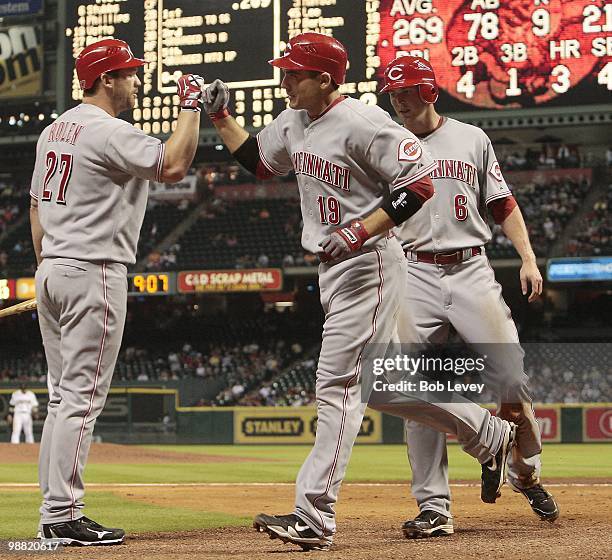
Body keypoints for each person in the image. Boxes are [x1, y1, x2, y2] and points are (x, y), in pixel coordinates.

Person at [202, 32, 517, 550]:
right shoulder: (293, 121)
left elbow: (419, 183)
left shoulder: (363, 121)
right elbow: (261, 162)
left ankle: (314, 515)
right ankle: (487, 434)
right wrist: (221, 118)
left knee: (336, 383)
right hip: (335, 270)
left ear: (324, 78)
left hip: (369, 262)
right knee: (384, 387)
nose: (284, 79)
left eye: (293, 73)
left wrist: (360, 230)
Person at [30, 38, 202, 546]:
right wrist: (189, 108)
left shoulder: (52, 130)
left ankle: (52, 514)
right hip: (93, 272)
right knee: (80, 401)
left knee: (62, 398)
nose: (135, 80)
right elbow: (172, 164)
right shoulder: (108, 131)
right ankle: (63, 515)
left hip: (55, 269)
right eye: (128, 74)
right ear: (106, 79)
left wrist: (50, 265)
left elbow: (38, 207)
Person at [379, 55, 559, 538]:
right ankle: (434, 507)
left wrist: (527, 257)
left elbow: (502, 203)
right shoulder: (383, 143)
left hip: (470, 267)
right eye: (393, 91)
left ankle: (525, 474)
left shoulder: (471, 138)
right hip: (413, 271)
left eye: (407, 90)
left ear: (429, 92)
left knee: (512, 384)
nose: (398, 98)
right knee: (418, 392)